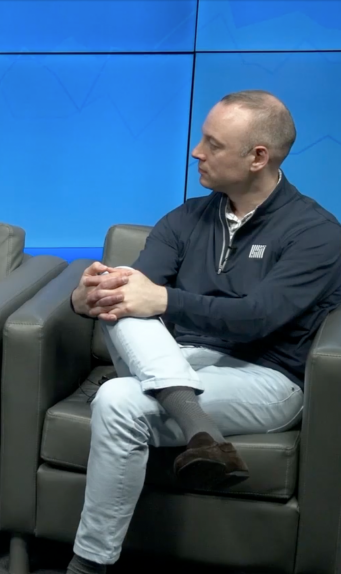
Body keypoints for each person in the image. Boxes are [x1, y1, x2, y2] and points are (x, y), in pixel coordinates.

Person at [66, 90, 341, 574]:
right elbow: (133, 292)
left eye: (213, 144)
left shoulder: (316, 232)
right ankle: (201, 429)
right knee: (126, 296)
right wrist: (86, 297)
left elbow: (259, 316)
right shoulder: (186, 218)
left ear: (258, 157)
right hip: (176, 358)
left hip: (267, 378)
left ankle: (87, 565)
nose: (196, 152)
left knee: (117, 398)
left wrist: (165, 300)